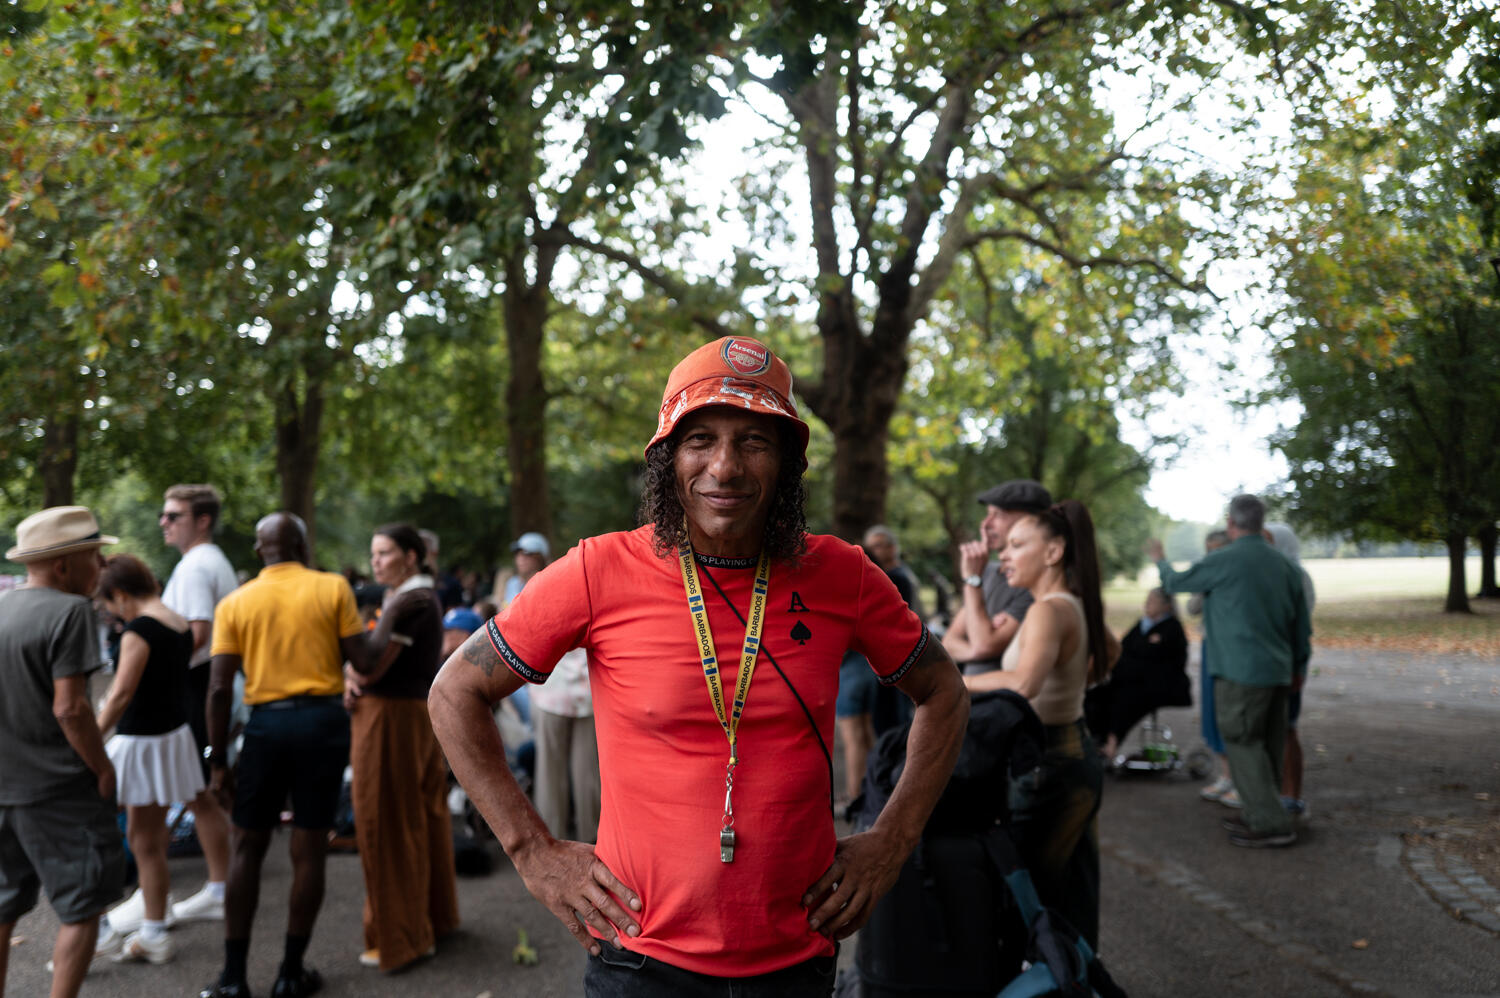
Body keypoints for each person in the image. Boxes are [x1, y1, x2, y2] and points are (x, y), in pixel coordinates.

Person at [430, 335, 968, 996]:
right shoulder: (598, 570)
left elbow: (944, 691)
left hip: (796, 959)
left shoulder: (843, 574)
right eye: (700, 440)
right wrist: (532, 851)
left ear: (787, 461)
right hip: (639, 960)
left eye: (754, 441)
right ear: (667, 458)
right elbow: (454, 691)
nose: (725, 467)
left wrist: (893, 841)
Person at [199, 512, 371, 998]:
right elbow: (363, 660)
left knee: (247, 845)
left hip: (266, 727)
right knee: (309, 846)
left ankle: (233, 979)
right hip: (323, 725)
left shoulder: (235, 602)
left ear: (259, 552)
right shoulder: (333, 587)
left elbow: (218, 689)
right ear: (303, 546)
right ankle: (290, 974)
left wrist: (218, 761)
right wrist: (394, 620)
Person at [963, 500, 1115, 950]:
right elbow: (1110, 651)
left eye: (1016, 545)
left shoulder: (1049, 609)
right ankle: (1076, 974)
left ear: (1053, 552)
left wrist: (953, 682)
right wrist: (1073, 684)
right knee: (1072, 892)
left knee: (1031, 894)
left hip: (1050, 763)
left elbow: (1024, 682)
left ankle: (1051, 973)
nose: (1004, 555)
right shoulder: (1070, 603)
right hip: (1071, 754)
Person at [0, 506, 126, 998]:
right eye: (94, 556)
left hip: (4, 787)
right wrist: (103, 768)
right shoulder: (70, 611)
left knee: (3, 908)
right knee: (82, 907)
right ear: (63, 565)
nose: (101, 566)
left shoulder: (2, 608)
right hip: (57, 790)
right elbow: (70, 709)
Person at [1148, 494, 1311, 849]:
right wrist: (1299, 666)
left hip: (1241, 672)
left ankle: (1270, 823)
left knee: (1242, 741)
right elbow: (1301, 626)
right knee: (1269, 743)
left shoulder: (1224, 560)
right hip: (1279, 671)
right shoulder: (1285, 566)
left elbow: (1175, 583)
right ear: (1261, 522)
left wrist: (1160, 560)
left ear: (1231, 523)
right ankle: (1259, 810)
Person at [342, 523, 459, 972]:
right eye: (373, 553)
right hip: (408, 716)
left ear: (411, 557)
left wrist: (353, 674)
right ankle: (432, 921)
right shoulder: (412, 598)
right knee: (419, 817)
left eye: (385, 553)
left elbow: (370, 666)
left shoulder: (411, 601)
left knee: (387, 823)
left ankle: (405, 937)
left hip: (391, 719)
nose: (375, 561)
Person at [92, 554, 204, 966]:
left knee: (95, 832)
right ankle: (153, 929)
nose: (111, 614)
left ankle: (98, 930)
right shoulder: (178, 622)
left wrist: (92, 738)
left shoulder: (139, 630)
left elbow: (121, 694)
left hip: (138, 744)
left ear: (120, 594)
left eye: (108, 604)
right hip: (169, 738)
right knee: (148, 841)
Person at [157, 483, 237, 928]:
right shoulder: (208, 561)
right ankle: (221, 884)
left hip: (196, 684)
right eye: (164, 515)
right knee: (199, 789)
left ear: (202, 520)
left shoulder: (195, 566)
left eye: (174, 515)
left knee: (195, 789)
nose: (164, 522)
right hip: (205, 684)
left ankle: (218, 887)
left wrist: (154, 674)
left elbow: (198, 634)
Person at [512, 533, 602, 844]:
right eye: (519, 553)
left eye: (527, 554)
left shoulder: (536, 587)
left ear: (540, 556)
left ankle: (560, 843)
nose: (521, 559)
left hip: (558, 690)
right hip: (577, 692)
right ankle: (586, 843)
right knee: (583, 773)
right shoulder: (567, 579)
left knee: (560, 773)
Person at [835, 527, 923, 803]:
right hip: (870, 667)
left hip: (855, 670)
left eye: (883, 544)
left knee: (855, 737)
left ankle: (857, 800)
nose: (879, 550)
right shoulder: (883, 581)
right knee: (868, 734)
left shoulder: (877, 582)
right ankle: (872, 794)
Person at [941, 480, 1053, 675]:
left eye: (998, 515)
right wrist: (975, 649)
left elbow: (985, 645)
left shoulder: (1034, 581)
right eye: (988, 514)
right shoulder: (986, 572)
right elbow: (949, 642)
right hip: (973, 692)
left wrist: (972, 580)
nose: (985, 524)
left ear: (1030, 520)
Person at [1084, 588, 1190, 761]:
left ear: (1166, 606)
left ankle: (1112, 743)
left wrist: (1140, 653)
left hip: (1161, 684)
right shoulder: (1143, 624)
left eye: (1152, 601)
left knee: (1126, 698)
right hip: (1133, 678)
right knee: (1097, 693)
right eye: (1147, 600)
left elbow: (1158, 658)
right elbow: (1123, 648)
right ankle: (1097, 739)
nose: (1147, 604)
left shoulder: (1172, 628)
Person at [1266, 522, 1316, 818]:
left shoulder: (1296, 576)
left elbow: (1299, 627)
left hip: (1287, 663)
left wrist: (1297, 667)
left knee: (1287, 729)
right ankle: (1276, 793)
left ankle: (1291, 795)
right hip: (1275, 662)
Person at [1189, 529, 1236, 804]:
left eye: (1217, 550)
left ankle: (1241, 780)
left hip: (1232, 649)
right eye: (1209, 550)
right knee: (1213, 712)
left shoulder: (1238, 575)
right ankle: (1225, 775)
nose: (1212, 556)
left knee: (1231, 711)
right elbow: (1192, 607)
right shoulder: (1208, 575)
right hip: (1211, 646)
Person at [496, 532, 549, 608]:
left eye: (527, 553)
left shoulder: (547, 584)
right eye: (517, 553)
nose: (521, 558)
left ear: (540, 558)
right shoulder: (512, 583)